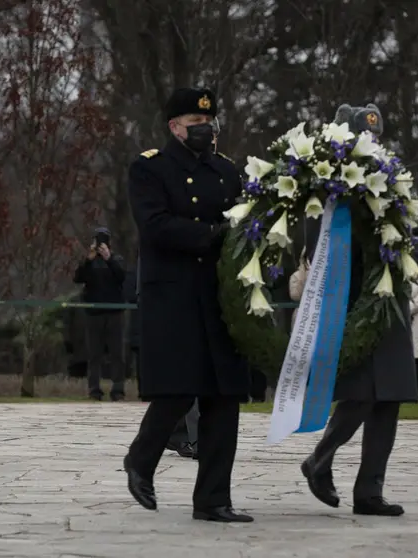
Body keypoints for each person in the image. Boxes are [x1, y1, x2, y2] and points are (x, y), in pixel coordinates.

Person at [122, 87, 253, 523]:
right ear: (175, 127)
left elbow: (241, 219)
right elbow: (154, 225)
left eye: (209, 124)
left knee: (223, 396)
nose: (205, 131)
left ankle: (213, 498)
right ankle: (141, 461)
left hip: (218, 296)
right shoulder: (150, 168)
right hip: (174, 294)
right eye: (196, 125)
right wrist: (211, 234)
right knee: (176, 390)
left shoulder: (226, 171)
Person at [300, 103, 418, 517]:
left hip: (390, 305)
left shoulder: (395, 186)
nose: (371, 147)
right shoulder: (328, 193)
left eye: (376, 140)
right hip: (352, 304)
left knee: (389, 399)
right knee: (360, 395)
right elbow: (316, 249)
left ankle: (369, 491)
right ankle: (319, 461)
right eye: (364, 139)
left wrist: (398, 246)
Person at [73, 227, 127, 401]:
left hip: (115, 313)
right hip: (94, 314)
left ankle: (118, 389)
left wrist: (109, 258)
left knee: (116, 354)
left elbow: (121, 276)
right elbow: (78, 278)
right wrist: (87, 261)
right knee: (94, 354)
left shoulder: (116, 259)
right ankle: (94, 389)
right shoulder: (90, 262)